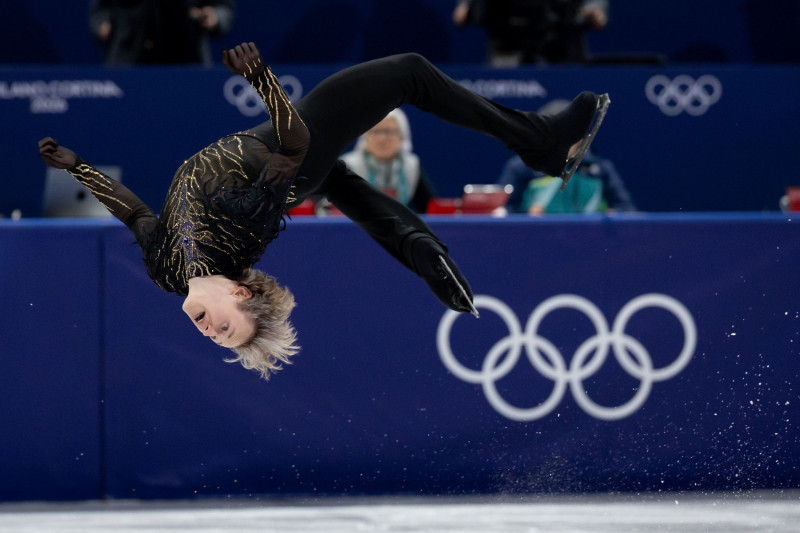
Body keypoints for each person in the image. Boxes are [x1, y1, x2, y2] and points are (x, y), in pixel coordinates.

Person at [38, 42, 608, 380]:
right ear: (240, 295)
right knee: (407, 73)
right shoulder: (241, 228)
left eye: (215, 340)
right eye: (229, 331)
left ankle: (420, 247)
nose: (211, 334)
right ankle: (540, 144)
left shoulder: (168, 272)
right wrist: (261, 79)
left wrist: (78, 168)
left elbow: (136, 215)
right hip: (293, 154)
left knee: (345, 181)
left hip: (291, 159)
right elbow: (295, 147)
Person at [452, 0, 608, 65]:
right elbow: (461, 16)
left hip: (562, 49)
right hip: (508, 47)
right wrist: (467, 6)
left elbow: (598, 15)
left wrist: (594, 11)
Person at [340, 108, 436, 214]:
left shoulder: (410, 167)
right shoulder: (348, 167)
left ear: (402, 137)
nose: (382, 138)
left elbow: (430, 210)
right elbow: (328, 210)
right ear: (365, 137)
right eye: (376, 132)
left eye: (389, 132)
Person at [89, 0, 235, 66]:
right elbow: (99, 10)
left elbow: (223, 8)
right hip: (128, 57)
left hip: (188, 58)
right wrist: (101, 24)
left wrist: (214, 16)